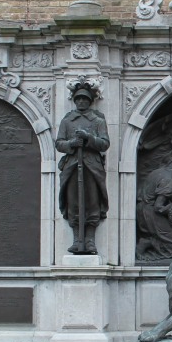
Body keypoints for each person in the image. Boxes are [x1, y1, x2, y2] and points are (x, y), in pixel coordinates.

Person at [55, 86, 110, 254]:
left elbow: (105, 143)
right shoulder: (67, 121)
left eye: (84, 99)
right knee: (73, 202)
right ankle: (77, 239)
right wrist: (72, 144)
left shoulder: (98, 120)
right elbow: (59, 143)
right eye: (78, 99)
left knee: (93, 201)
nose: (81, 101)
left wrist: (89, 139)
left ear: (89, 101)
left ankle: (90, 240)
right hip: (72, 166)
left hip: (92, 166)